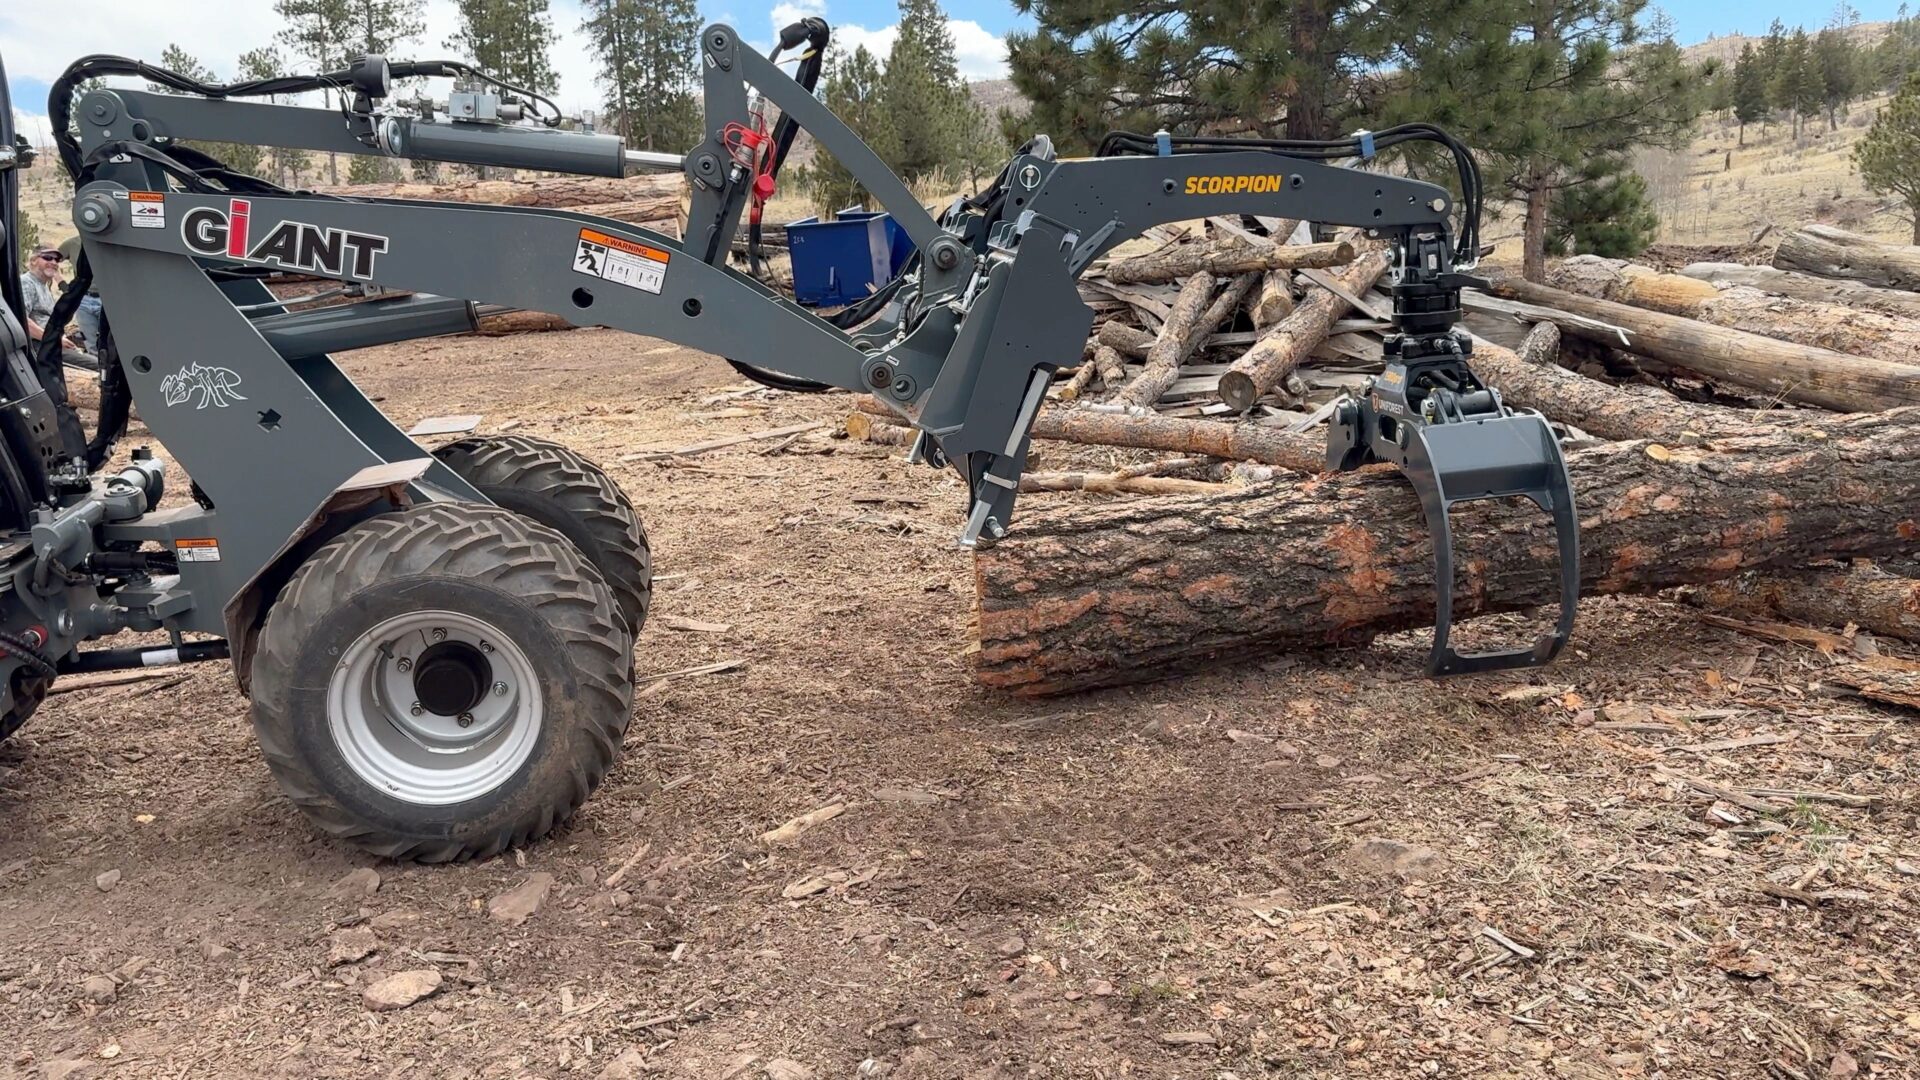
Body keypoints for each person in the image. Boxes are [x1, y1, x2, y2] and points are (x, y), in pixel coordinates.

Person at [18, 246, 96, 372]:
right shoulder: (26, 283)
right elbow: (22, 320)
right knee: (98, 367)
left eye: (57, 259)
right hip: (39, 347)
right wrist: (55, 339)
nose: (53, 262)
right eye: (47, 257)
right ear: (33, 260)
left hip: (51, 343)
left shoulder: (43, 286)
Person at [57, 235, 104, 352]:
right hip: (83, 298)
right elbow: (51, 261)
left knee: (111, 339)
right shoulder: (71, 244)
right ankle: (96, 368)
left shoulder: (109, 241)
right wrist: (62, 284)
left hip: (107, 298)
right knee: (90, 342)